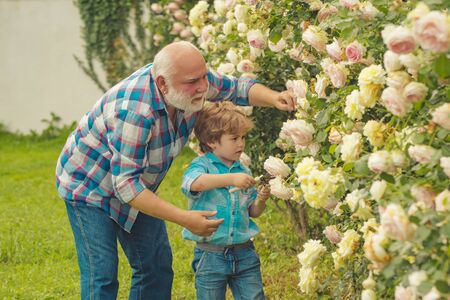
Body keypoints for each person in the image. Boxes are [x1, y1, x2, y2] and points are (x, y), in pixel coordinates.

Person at [55, 41, 295, 299]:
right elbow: (126, 186)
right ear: (162, 83)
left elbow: (237, 88)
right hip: (89, 187)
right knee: (101, 276)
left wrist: (274, 98)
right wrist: (184, 217)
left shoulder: (191, 83)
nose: (203, 87)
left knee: (155, 267)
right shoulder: (135, 112)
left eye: (204, 77)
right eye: (194, 81)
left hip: (135, 183)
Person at [181, 101, 271, 300]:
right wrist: (230, 179)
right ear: (213, 141)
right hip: (210, 254)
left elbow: (252, 212)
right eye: (234, 138)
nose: (241, 143)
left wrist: (261, 200)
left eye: (243, 137)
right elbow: (194, 183)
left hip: (244, 252)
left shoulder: (243, 170)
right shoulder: (202, 166)